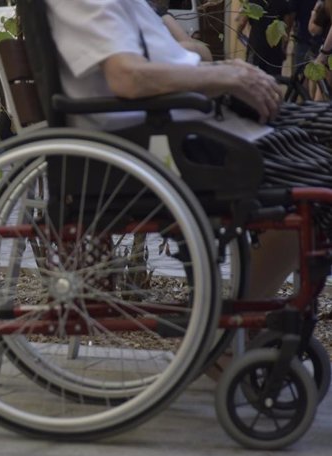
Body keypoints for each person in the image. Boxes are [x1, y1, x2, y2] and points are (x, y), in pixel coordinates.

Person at [41, 0, 332, 303]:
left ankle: (244, 321)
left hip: (192, 122)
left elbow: (170, 56)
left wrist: (225, 70)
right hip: (173, 138)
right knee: (317, 181)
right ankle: (234, 332)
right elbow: (128, 77)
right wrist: (226, 77)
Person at [236, 0, 295, 76]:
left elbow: (242, 22)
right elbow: (287, 27)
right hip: (274, 47)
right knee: (273, 79)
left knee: (253, 77)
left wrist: (239, 32)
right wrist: (284, 45)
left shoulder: (253, 1)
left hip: (256, 46)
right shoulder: (283, 2)